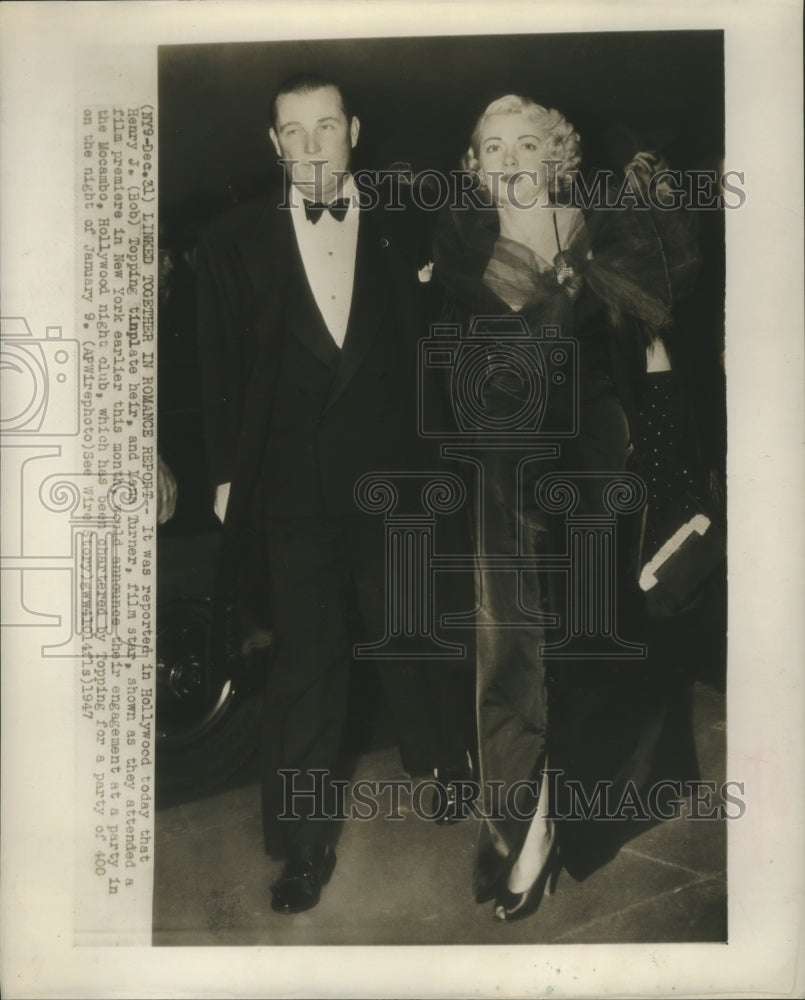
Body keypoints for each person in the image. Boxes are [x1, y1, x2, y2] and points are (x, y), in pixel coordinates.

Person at [196, 73, 472, 915]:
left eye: (326, 127)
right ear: (272, 143)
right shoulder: (230, 242)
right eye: (293, 132)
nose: (312, 148)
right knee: (307, 666)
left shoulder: (406, 226)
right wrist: (222, 475)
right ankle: (302, 847)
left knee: (411, 632)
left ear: (353, 129)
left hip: (396, 482)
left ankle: (440, 768)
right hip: (291, 492)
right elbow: (215, 368)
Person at [433, 95, 706, 922]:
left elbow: (650, 353)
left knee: (583, 653)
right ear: (474, 168)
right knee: (506, 649)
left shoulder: (605, 236)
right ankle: (514, 816)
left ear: (556, 155)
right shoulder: (459, 250)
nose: (508, 160)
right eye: (489, 148)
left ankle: (549, 828)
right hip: (502, 471)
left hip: (593, 471)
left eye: (525, 144)